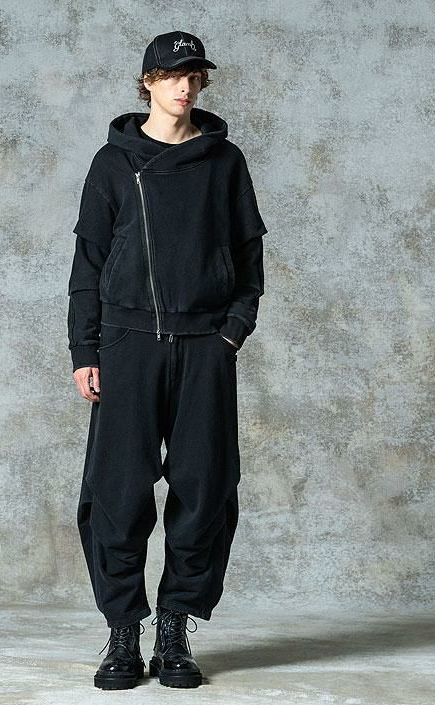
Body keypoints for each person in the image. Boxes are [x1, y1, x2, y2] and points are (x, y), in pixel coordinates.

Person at [67, 30, 267, 690]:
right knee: (116, 494)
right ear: (148, 81)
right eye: (172, 75)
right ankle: (124, 631)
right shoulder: (112, 163)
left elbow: (249, 258)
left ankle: (176, 628)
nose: (185, 86)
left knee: (205, 490)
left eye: (194, 76)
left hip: (206, 346)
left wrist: (232, 332)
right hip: (126, 346)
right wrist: (85, 349)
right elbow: (88, 264)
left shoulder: (225, 161)